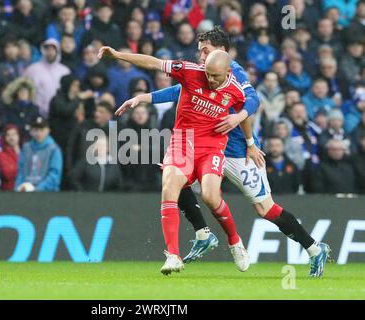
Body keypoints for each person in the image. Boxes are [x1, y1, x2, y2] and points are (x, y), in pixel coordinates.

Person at [133, 28, 331, 277]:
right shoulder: (205, 69)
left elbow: (253, 99)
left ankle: (314, 248)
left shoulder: (232, 71)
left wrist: (244, 131)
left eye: (205, 50)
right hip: (208, 144)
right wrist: (147, 97)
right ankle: (203, 234)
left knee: (265, 209)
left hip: (237, 152)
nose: (201, 56)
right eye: (200, 51)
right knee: (173, 176)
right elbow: (182, 90)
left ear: (221, 51)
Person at [99, 46, 254, 275]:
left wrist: (250, 143)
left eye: (215, 76)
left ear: (228, 71)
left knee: (211, 196)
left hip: (212, 145)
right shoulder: (190, 71)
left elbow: (244, 115)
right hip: (183, 140)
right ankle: (173, 255)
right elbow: (153, 62)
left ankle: (234, 241)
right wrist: (118, 55)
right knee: (169, 186)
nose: (209, 79)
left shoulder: (235, 90)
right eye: (208, 74)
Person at [23, 38, 70, 117]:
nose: (50, 52)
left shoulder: (65, 71)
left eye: (52, 50)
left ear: (57, 51)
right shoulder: (32, 69)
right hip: (36, 113)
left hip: (58, 114)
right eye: (47, 49)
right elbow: (25, 90)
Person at [15, 117, 63, 192]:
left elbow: (54, 175)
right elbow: (20, 171)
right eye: (35, 130)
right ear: (31, 131)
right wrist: (18, 188)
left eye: (42, 130)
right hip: (26, 193)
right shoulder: (26, 148)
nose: (38, 133)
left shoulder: (54, 149)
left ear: (48, 131)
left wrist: (37, 189)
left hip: (48, 194)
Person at [0, 77, 40, 142]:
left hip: (30, 140)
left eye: (26, 92)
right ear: (16, 93)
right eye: (21, 91)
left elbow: (38, 125)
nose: (23, 94)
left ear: (29, 94)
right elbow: (4, 124)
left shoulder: (34, 109)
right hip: (12, 140)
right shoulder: (8, 108)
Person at [0, 125, 21, 191]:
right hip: (9, 190)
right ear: (5, 137)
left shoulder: (25, 152)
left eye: (14, 134)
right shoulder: (2, 155)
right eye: (8, 135)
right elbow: (7, 174)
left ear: (18, 136)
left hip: (24, 189)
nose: (11, 137)